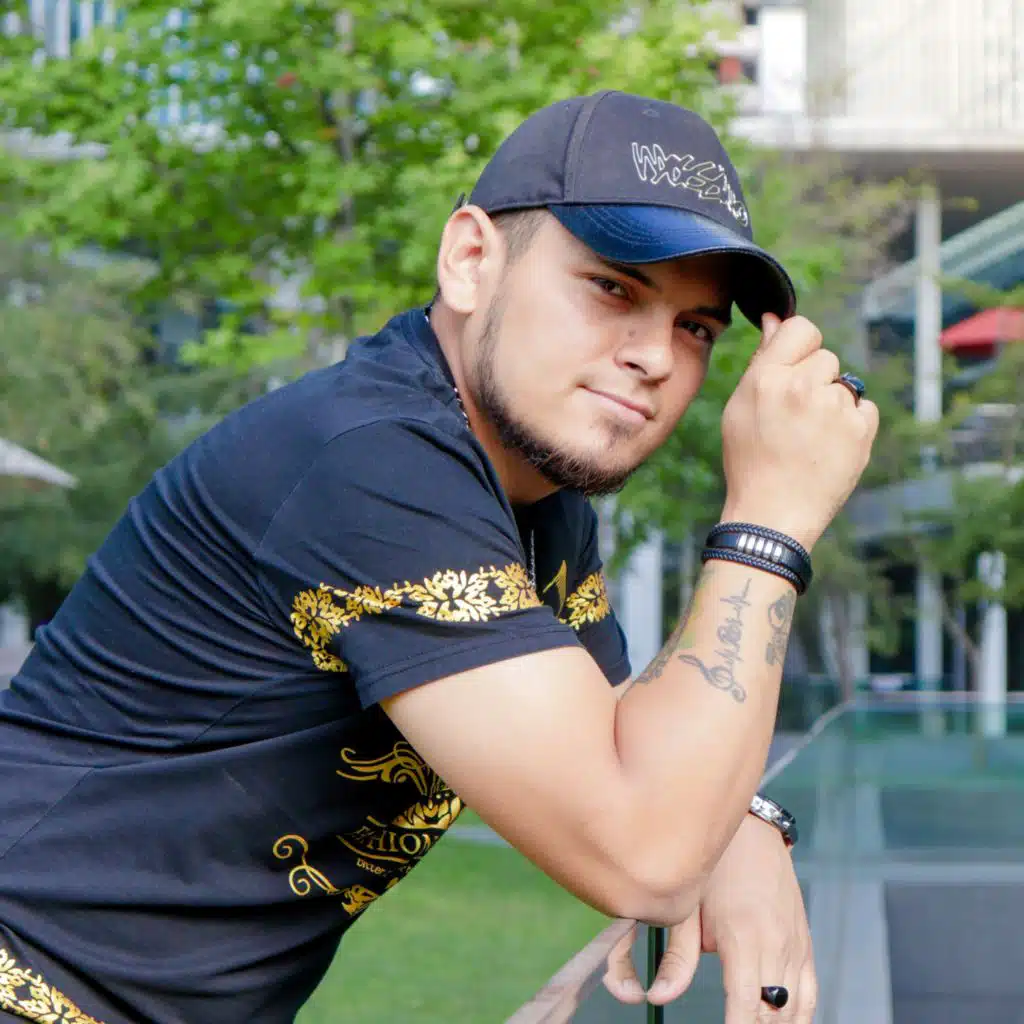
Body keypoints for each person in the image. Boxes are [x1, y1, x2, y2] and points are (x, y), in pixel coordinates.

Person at [0, 90, 877, 1024]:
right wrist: (770, 520)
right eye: (612, 288)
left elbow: (628, 740)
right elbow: (645, 851)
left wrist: (749, 827)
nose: (656, 357)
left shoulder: (532, 494)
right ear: (470, 260)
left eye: (695, 328)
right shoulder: (373, 459)